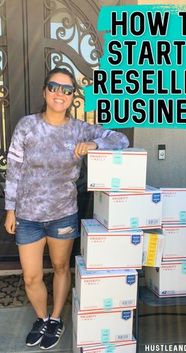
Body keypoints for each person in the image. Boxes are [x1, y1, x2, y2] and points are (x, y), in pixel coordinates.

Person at [4, 67, 129, 350]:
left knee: (61, 267)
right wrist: (10, 209)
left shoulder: (79, 129)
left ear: (73, 96)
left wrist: (93, 143)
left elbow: (121, 140)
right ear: (45, 91)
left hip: (63, 213)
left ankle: (56, 319)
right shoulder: (27, 125)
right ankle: (42, 318)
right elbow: (14, 169)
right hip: (28, 216)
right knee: (31, 276)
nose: (60, 93)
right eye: (54, 86)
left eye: (67, 89)